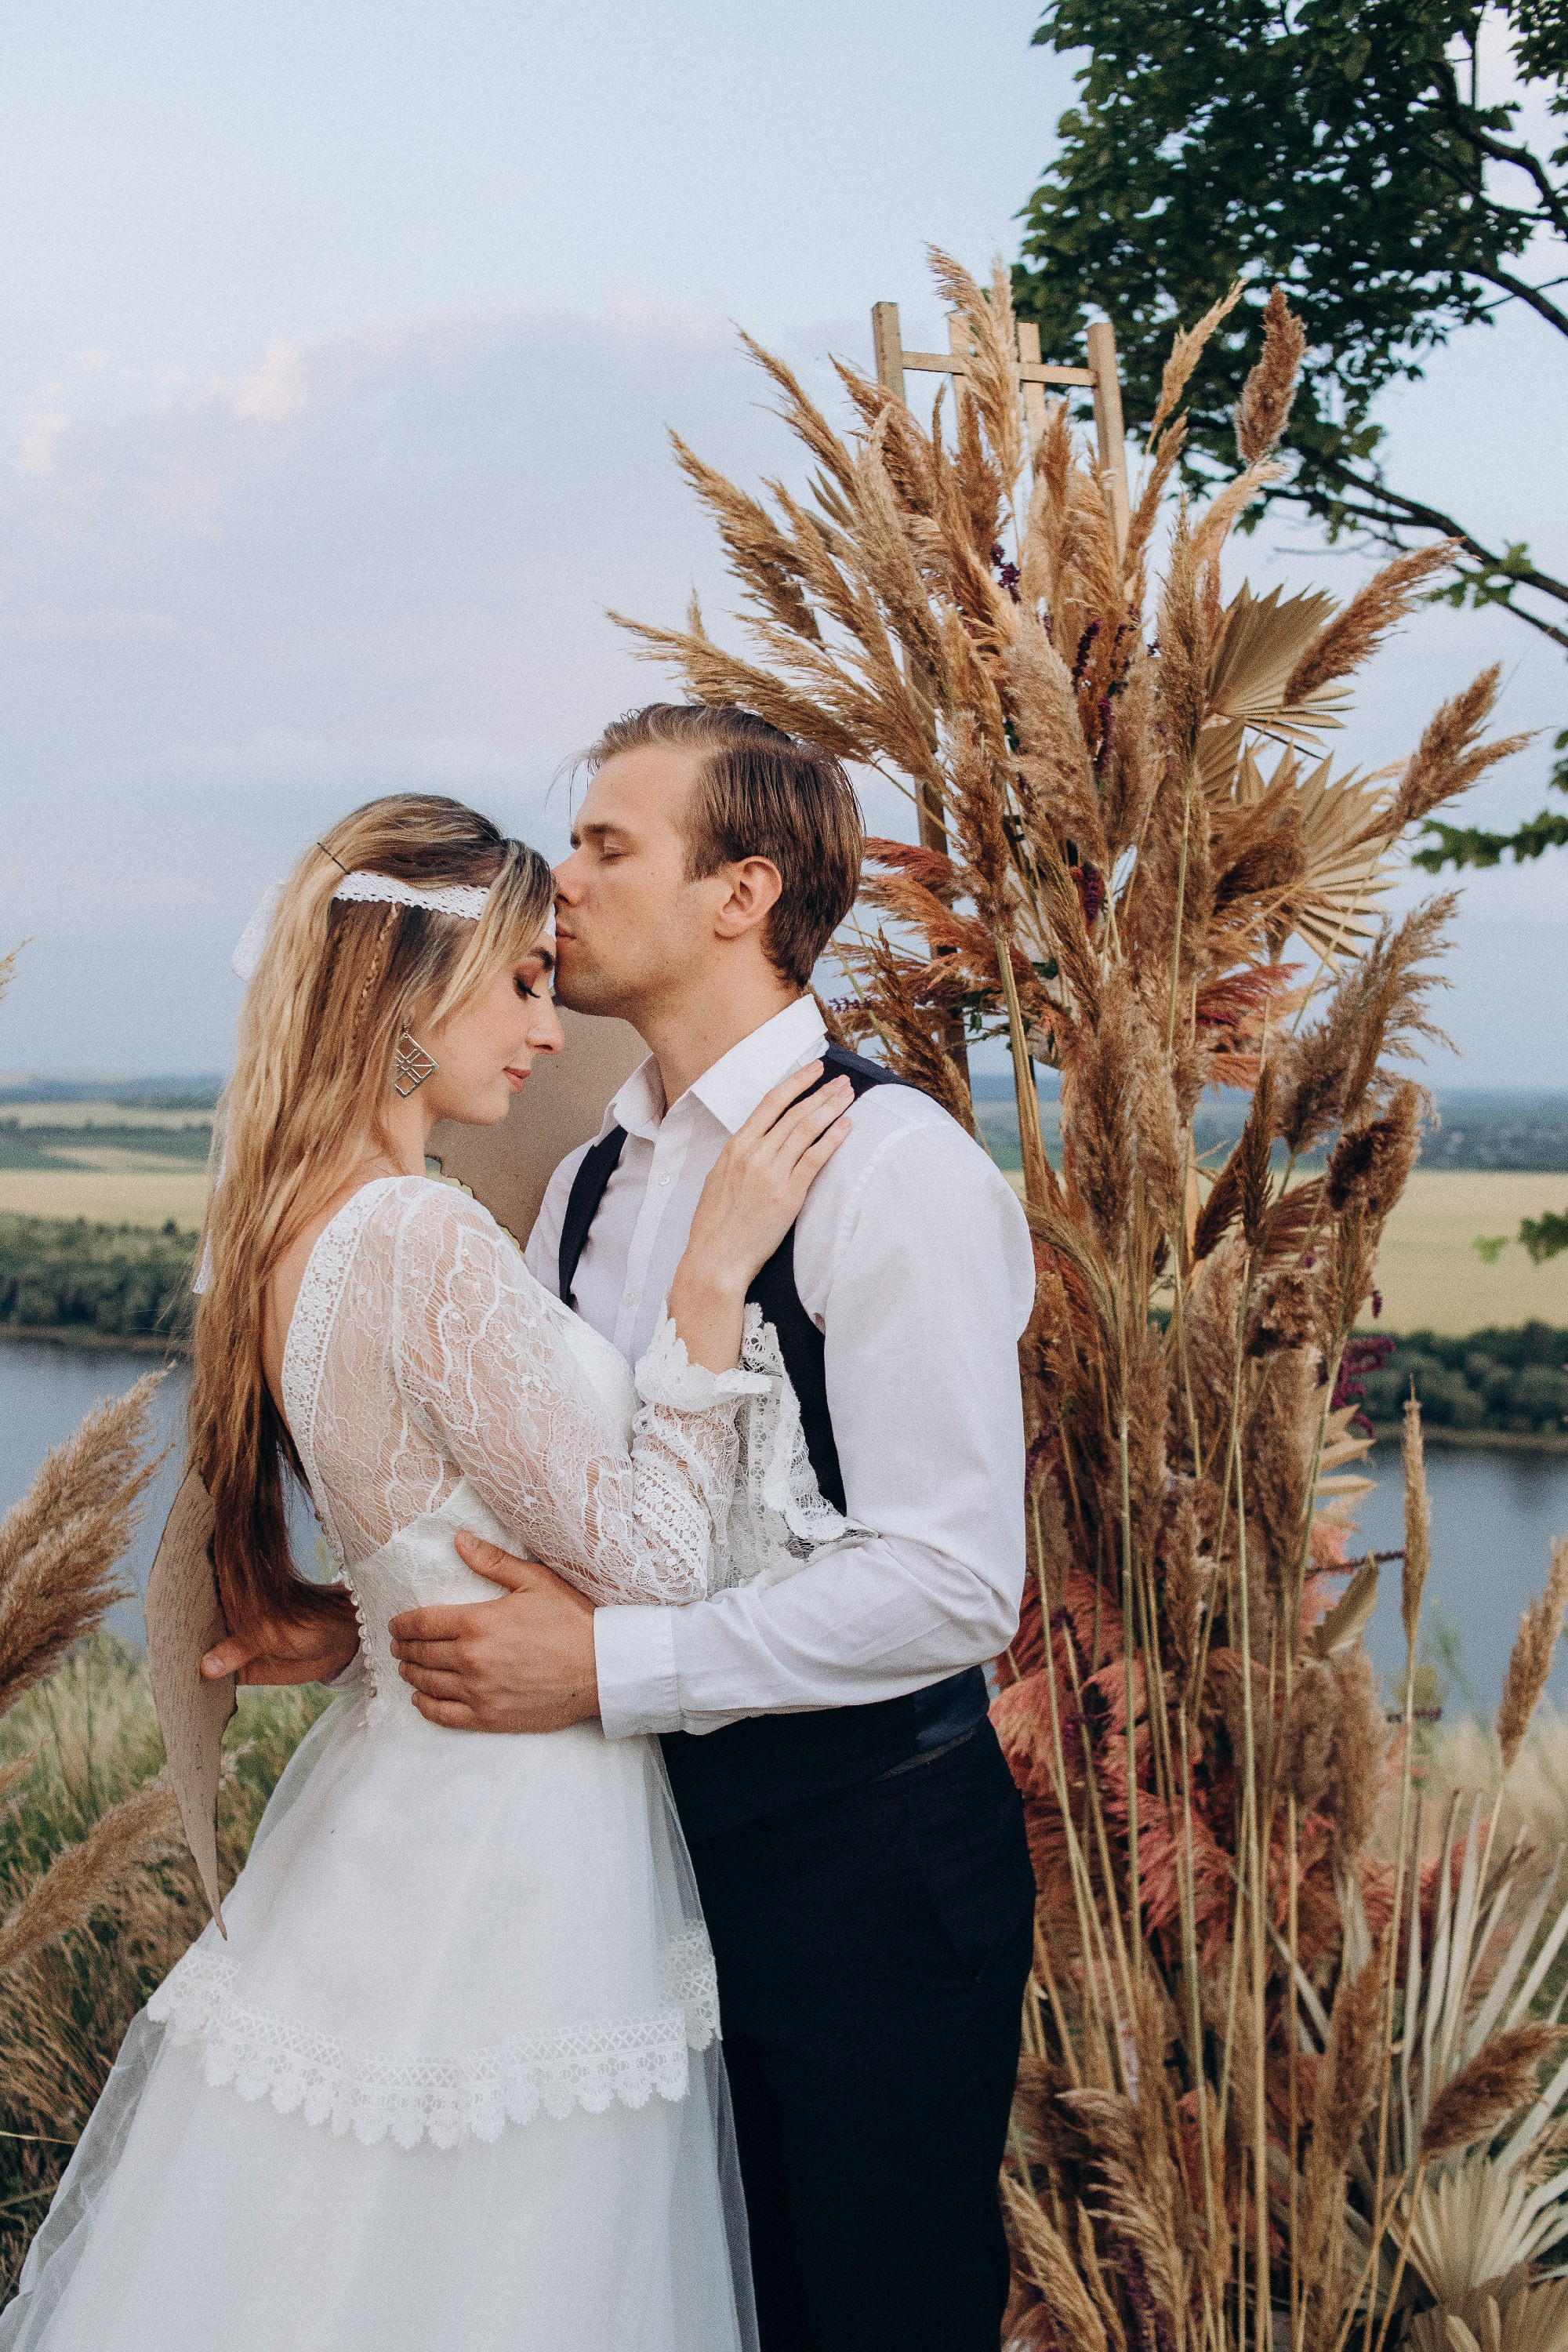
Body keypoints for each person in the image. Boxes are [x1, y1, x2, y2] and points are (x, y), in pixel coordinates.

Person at [1, 791, 858, 2352]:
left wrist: (352, 1624)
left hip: (402, 1801)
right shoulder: (415, 1236)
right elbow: (661, 1566)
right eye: (522, 979)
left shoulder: (285, 1229)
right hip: (515, 1853)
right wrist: (710, 1291)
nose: (550, 1023)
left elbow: (402, 1543)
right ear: (407, 986)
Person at [383, 707, 1040, 2352]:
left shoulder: (894, 1174)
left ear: (744, 892)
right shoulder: (591, 1180)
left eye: (607, 847)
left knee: (860, 2315)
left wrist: (607, 1670)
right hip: (622, 1866)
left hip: (863, 1875)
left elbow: (953, 1586)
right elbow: (551, 1504)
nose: (563, 885)